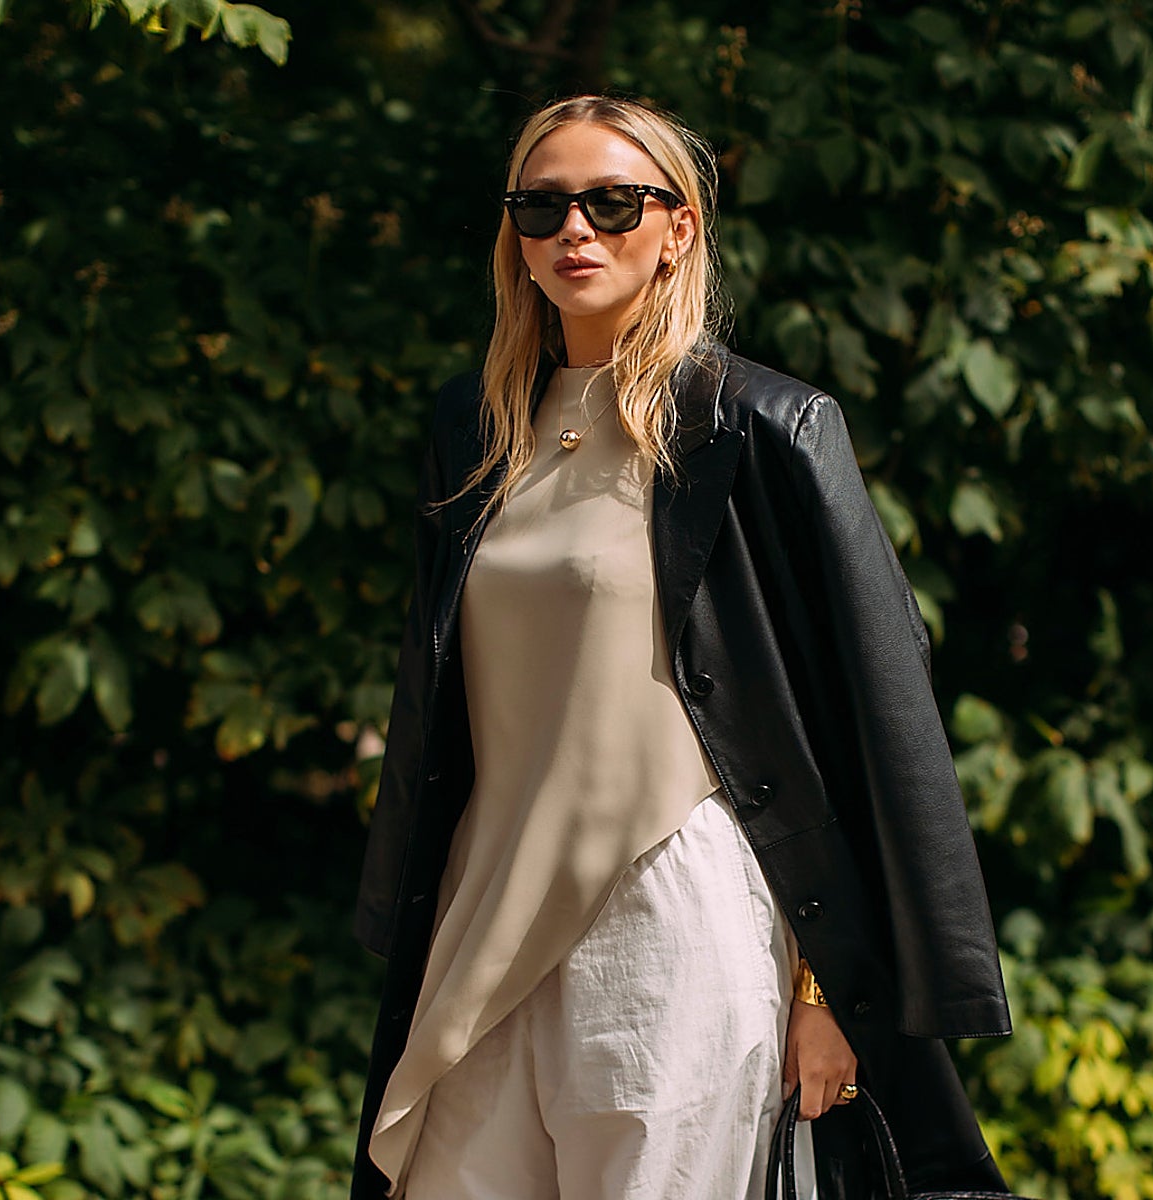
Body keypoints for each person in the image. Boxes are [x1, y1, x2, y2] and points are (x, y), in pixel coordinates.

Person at [349, 94, 1013, 1200]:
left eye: (614, 203)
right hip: (481, 916)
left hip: (670, 918)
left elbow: (869, 714)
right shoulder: (474, 430)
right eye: (542, 205)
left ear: (680, 228)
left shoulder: (760, 431)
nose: (576, 232)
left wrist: (824, 997)